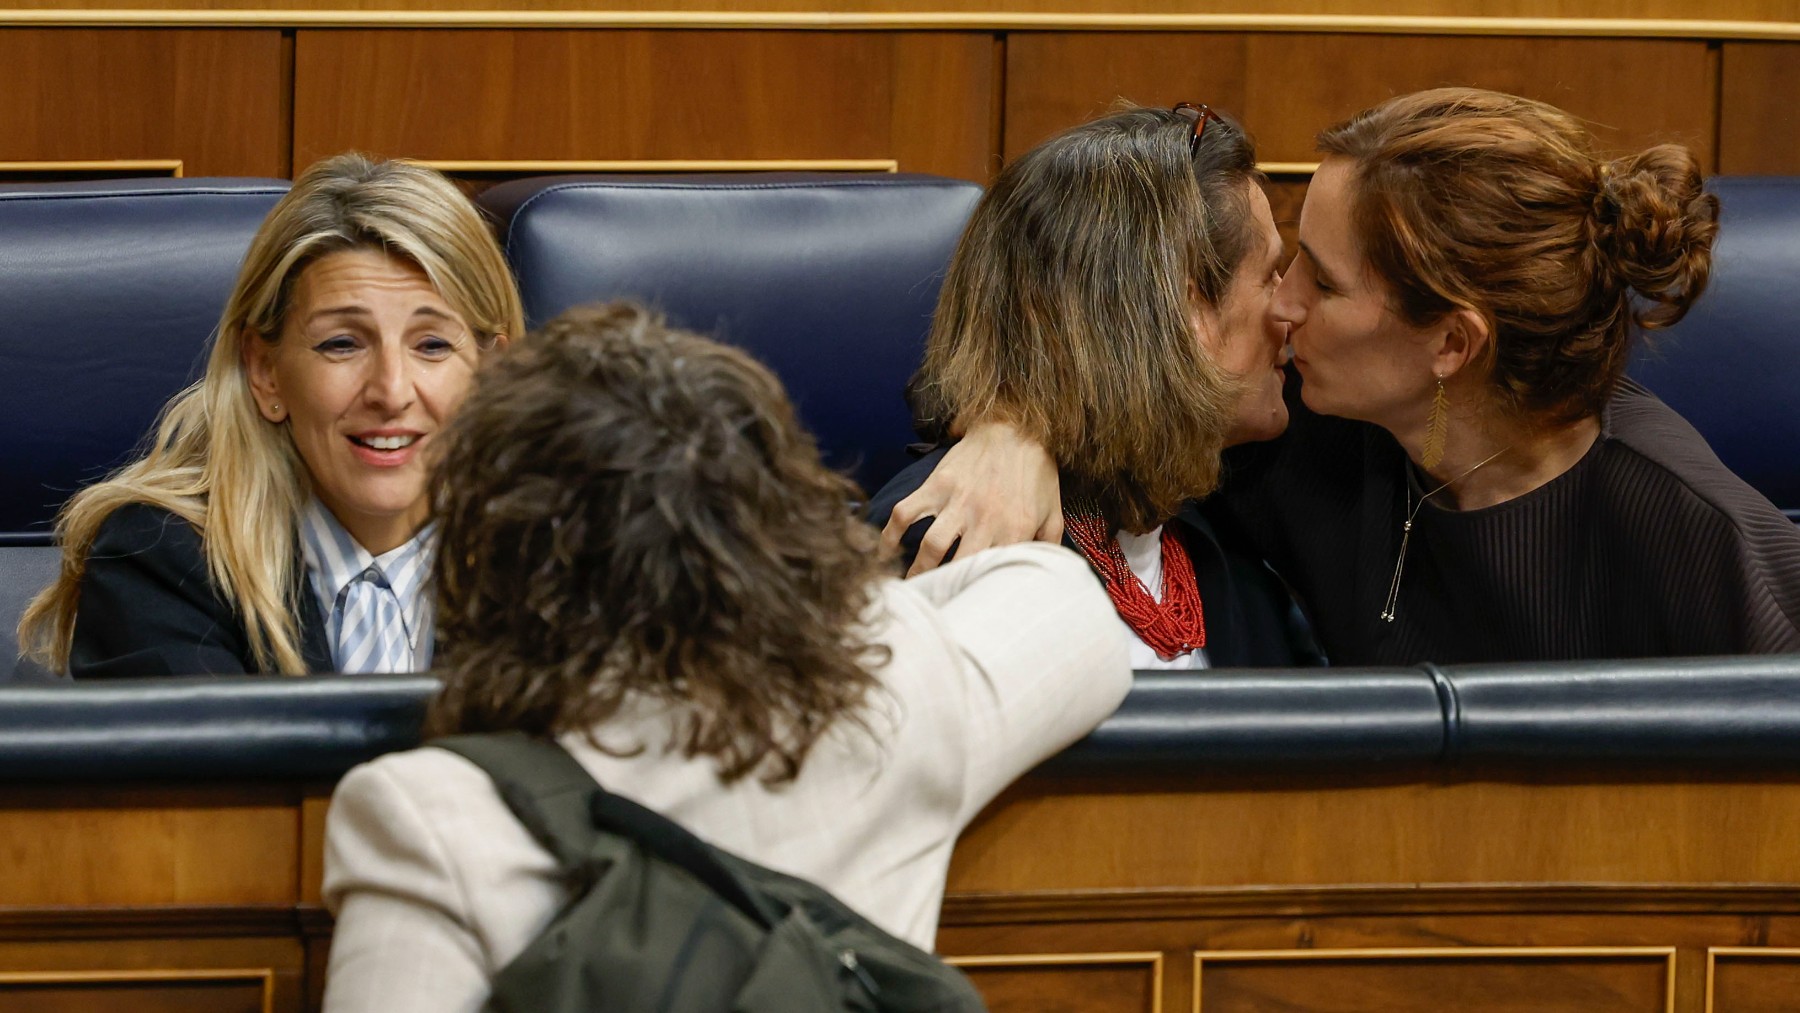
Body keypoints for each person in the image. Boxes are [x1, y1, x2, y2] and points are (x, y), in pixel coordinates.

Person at [320, 303, 1131, 1012]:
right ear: (774, 522)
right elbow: (1064, 602)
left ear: (490, 552)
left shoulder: (433, 816)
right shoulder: (895, 693)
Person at [884, 87, 1800, 663]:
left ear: (1451, 346)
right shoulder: (1291, 430)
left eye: (1320, 279)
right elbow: (1095, 324)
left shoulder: (1695, 527)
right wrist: (1015, 424)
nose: (1281, 305)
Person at [16, 153, 523, 678]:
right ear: (265, 373)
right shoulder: (164, 562)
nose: (391, 392)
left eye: (433, 345)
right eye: (342, 344)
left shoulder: (560, 558)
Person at [868, 104, 1321, 669]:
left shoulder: (1235, 510)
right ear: (1184, 314)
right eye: (1269, 275)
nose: (1289, 308)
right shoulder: (967, 537)